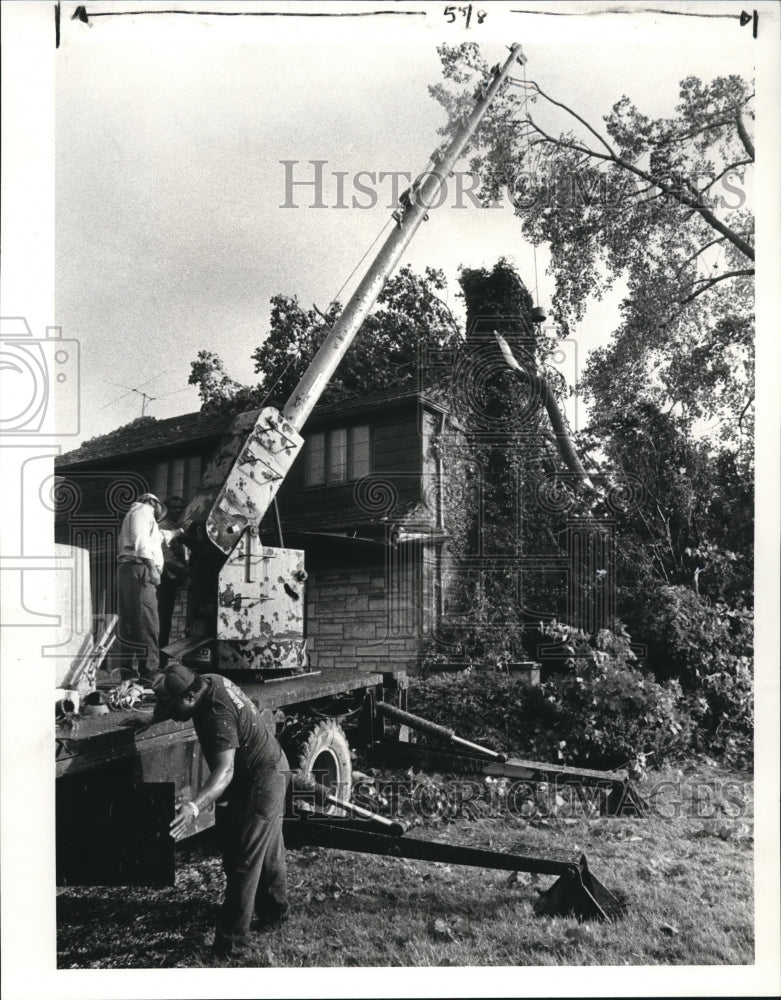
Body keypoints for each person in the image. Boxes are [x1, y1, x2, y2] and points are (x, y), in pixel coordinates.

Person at [149, 663, 290, 960]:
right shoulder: (207, 681)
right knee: (267, 850)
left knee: (243, 858)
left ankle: (231, 947)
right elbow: (176, 706)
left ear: (188, 698)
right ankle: (275, 912)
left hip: (260, 779)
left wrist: (193, 806)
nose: (170, 714)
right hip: (272, 765)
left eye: (171, 707)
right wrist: (148, 718)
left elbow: (225, 773)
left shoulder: (215, 715)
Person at [115, 492, 184, 682]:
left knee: (130, 622)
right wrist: (152, 569)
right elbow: (142, 542)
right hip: (140, 569)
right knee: (148, 620)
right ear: (152, 502)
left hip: (128, 569)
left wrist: (178, 532)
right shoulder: (143, 511)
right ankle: (150, 670)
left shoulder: (133, 516)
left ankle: (128, 672)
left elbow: (158, 537)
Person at [157, 495, 189, 665]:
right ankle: (161, 658)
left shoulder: (178, 527)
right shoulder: (163, 527)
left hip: (174, 578)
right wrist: (185, 570)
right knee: (163, 619)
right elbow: (166, 555)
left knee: (168, 619)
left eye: (180, 507)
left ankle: (165, 656)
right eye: (174, 507)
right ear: (167, 509)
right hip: (165, 577)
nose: (178, 510)